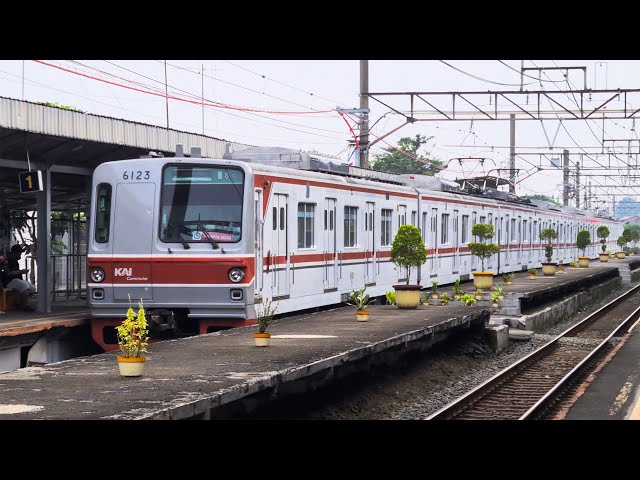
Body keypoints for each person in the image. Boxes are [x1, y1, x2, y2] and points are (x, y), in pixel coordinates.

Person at [1, 245, 36, 311]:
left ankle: (21, 302)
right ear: (14, 253)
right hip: (9, 281)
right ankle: (23, 305)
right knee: (24, 286)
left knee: (32, 288)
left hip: (17, 279)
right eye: (19, 253)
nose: (20, 255)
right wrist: (21, 272)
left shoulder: (15, 261)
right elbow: (8, 273)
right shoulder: (7, 261)